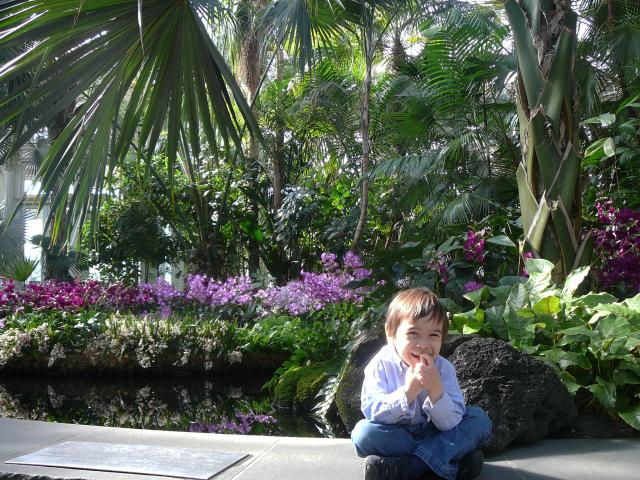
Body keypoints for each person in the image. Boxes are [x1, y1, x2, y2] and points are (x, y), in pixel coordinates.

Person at [351, 287, 492, 480]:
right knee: (363, 433)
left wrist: (436, 389)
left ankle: (410, 468)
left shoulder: (443, 368)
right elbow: (373, 413)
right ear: (391, 333)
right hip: (397, 436)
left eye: (433, 335)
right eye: (413, 333)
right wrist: (408, 392)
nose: (424, 344)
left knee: (479, 420)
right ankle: (447, 462)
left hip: (435, 432)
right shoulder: (380, 365)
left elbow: (451, 423)